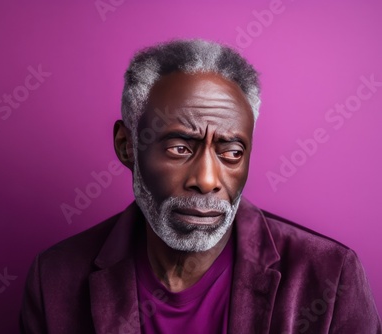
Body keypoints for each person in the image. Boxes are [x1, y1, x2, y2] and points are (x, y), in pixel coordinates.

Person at [19, 39, 381, 334]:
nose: (207, 180)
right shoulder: (55, 280)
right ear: (127, 145)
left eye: (231, 152)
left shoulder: (332, 277)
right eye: (180, 148)